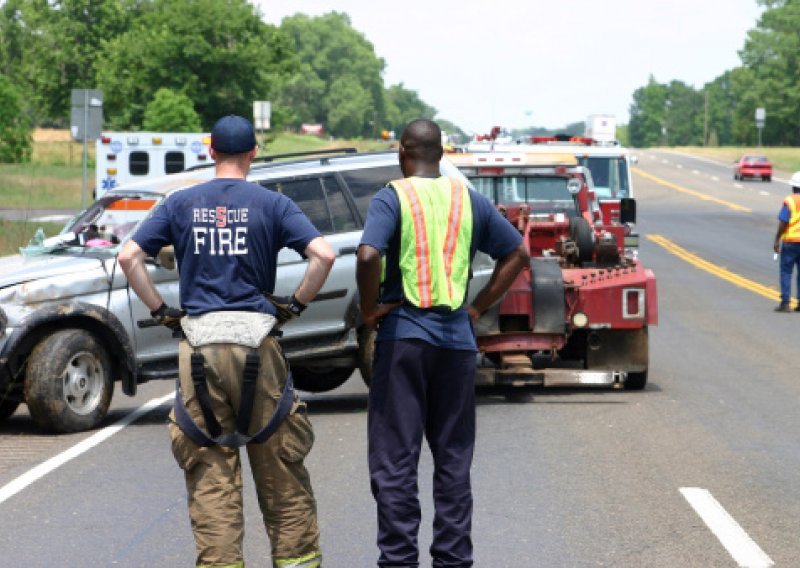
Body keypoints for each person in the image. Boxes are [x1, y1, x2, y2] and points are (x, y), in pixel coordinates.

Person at [119, 115, 334, 568]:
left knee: (211, 473)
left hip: (199, 347)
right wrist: (293, 305)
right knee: (280, 469)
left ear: (211, 152)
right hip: (258, 343)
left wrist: (161, 311)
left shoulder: (180, 203)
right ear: (253, 153)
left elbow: (128, 255)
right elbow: (323, 255)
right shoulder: (273, 204)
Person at [356, 119, 529, 567]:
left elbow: (368, 254)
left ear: (403, 152)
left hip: (404, 341)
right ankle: (453, 560)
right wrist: (477, 308)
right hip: (456, 344)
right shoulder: (466, 198)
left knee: (396, 460)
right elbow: (518, 254)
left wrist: (371, 309)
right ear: (441, 153)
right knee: (452, 460)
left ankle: (398, 561)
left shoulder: (392, 196)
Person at [773, 171, 800, 312]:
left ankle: (785, 303)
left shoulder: (790, 201)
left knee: (786, 271)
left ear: (793, 187)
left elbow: (783, 222)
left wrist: (777, 240)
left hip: (790, 242)